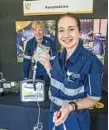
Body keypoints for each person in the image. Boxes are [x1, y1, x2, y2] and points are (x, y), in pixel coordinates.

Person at [39, 13, 103, 130]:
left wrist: (69, 107)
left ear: (80, 33)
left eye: (71, 29)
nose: (66, 35)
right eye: (61, 30)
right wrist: (48, 66)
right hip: (54, 114)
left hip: (75, 119)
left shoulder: (91, 62)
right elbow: (58, 80)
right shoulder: (59, 56)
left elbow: (94, 98)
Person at [23, 21, 57, 86]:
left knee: (47, 92)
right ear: (32, 31)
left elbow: (55, 62)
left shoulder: (50, 43)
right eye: (35, 30)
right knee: (37, 93)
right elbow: (26, 61)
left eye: (40, 30)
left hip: (47, 72)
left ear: (43, 31)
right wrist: (25, 77)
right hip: (36, 72)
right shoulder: (30, 44)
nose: (37, 33)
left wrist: (54, 76)